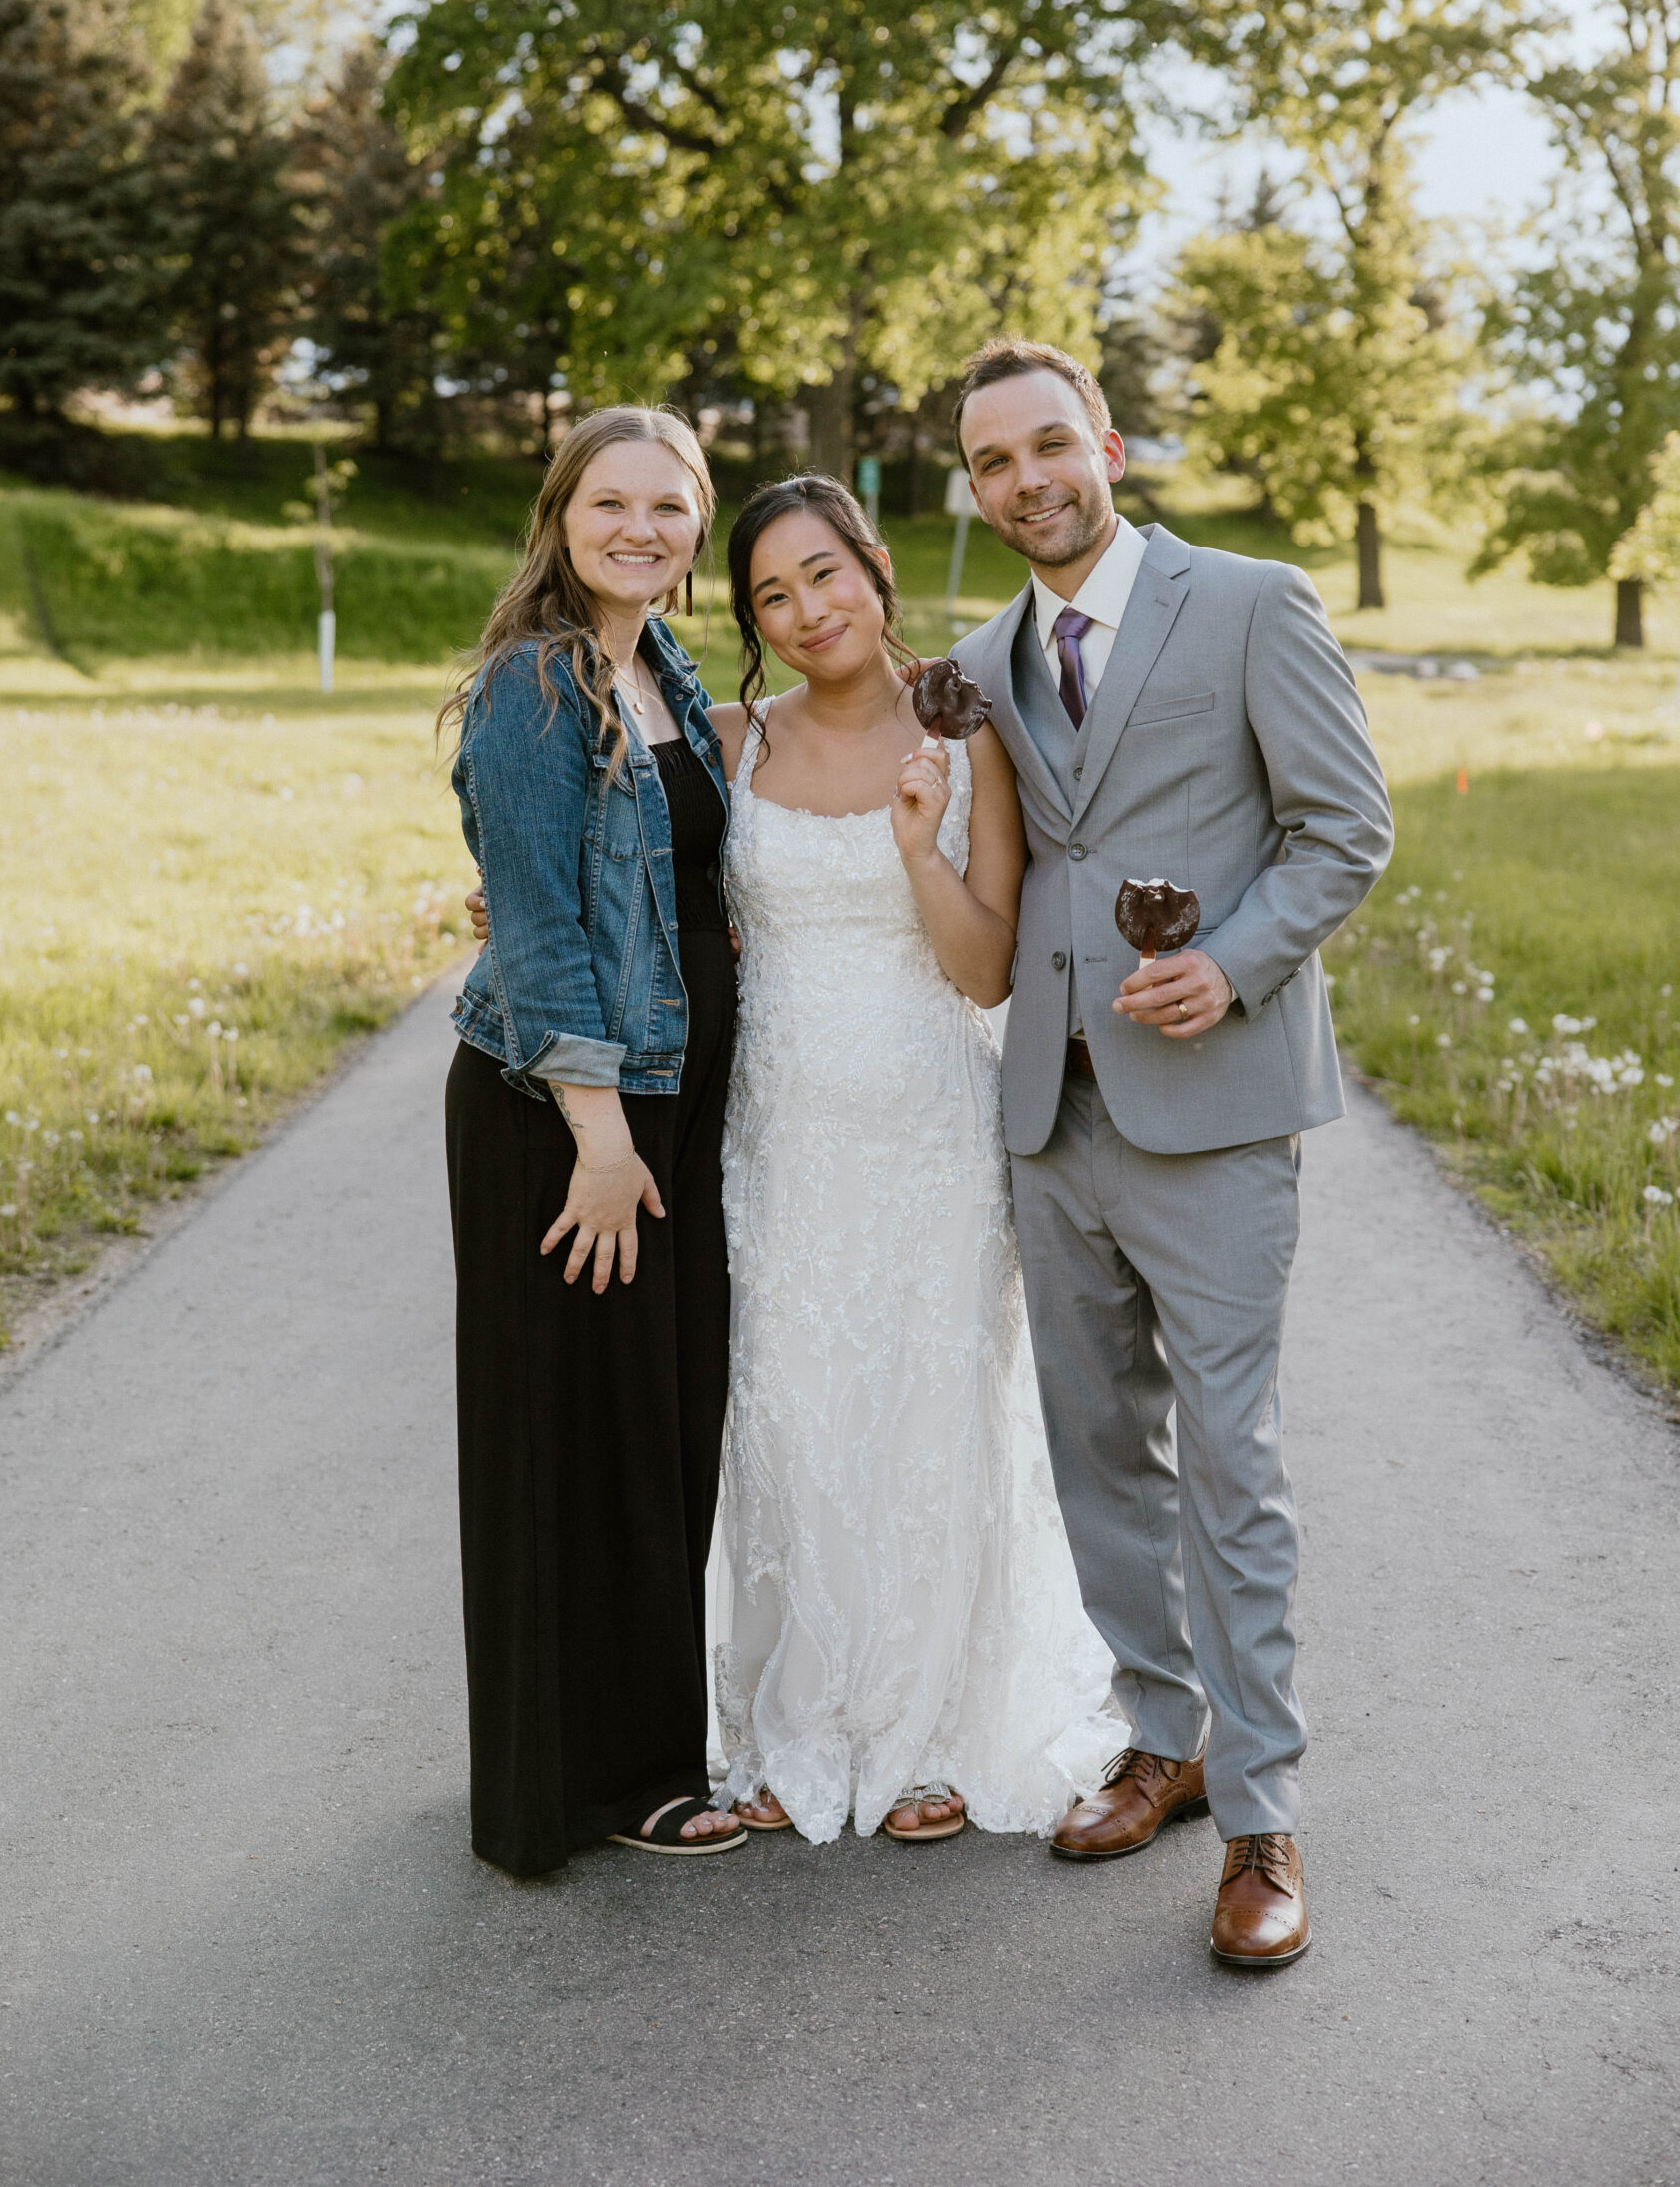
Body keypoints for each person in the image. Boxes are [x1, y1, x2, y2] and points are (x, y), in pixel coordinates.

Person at [950, 337, 1393, 1965]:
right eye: (993, 464)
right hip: (1048, 1120)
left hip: (1214, 1114)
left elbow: (1345, 827)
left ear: (1110, 449)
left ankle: (1266, 1818)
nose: (1026, 482)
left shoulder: (1255, 602)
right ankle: (1166, 1731)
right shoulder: (986, 658)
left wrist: (1242, 958)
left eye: (1049, 445)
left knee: (1232, 1464)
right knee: (1094, 1459)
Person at [708, 477, 1121, 1845]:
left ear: (876, 571)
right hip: (778, 1135)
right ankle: (795, 1721)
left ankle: (940, 1727)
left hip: (934, 1133)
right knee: (790, 1413)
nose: (808, 609)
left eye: (824, 574)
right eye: (773, 593)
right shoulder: (731, 739)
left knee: (933, 1409)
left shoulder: (967, 726)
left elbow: (986, 967)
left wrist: (915, 844)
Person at [442, 405, 746, 1874]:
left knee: (656, 1431)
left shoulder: (664, 669)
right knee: (570, 1440)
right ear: (562, 516)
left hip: (665, 1109)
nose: (642, 528)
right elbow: (549, 933)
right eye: (611, 502)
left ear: (698, 529)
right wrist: (600, 1136)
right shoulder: (537, 688)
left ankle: (637, 1749)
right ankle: (589, 1786)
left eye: (670, 507)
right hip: (568, 1123)